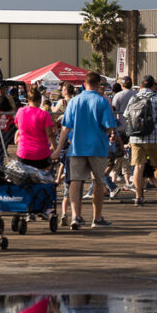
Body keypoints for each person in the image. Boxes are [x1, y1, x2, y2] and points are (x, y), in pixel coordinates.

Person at [51, 71, 118, 229]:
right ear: (98, 85)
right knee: (98, 182)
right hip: (97, 147)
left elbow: (66, 127)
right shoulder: (102, 101)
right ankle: (97, 217)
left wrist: (58, 149)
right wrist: (111, 134)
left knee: (75, 181)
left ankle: (76, 216)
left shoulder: (74, 101)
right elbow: (109, 126)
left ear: (84, 84)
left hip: (77, 147)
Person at [126, 75, 157, 206]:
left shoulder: (134, 98)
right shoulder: (156, 98)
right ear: (153, 86)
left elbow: (127, 115)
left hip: (136, 138)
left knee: (138, 166)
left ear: (142, 86)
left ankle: (139, 197)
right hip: (155, 138)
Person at [13, 86, 58, 170]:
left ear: (28, 100)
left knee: (25, 180)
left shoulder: (20, 111)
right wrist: (55, 150)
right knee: (43, 179)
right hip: (41, 154)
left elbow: (18, 126)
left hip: (23, 152)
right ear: (40, 101)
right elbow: (50, 135)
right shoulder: (44, 114)